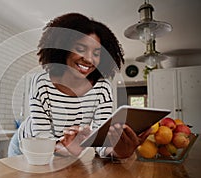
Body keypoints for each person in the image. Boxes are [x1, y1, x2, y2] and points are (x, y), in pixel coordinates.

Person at [8, 13, 150, 159]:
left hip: (64, 150)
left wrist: (119, 152)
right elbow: (42, 137)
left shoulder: (102, 89)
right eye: (80, 49)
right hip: (27, 145)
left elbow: (101, 141)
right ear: (64, 49)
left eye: (96, 53)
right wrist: (68, 149)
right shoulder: (41, 83)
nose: (89, 59)